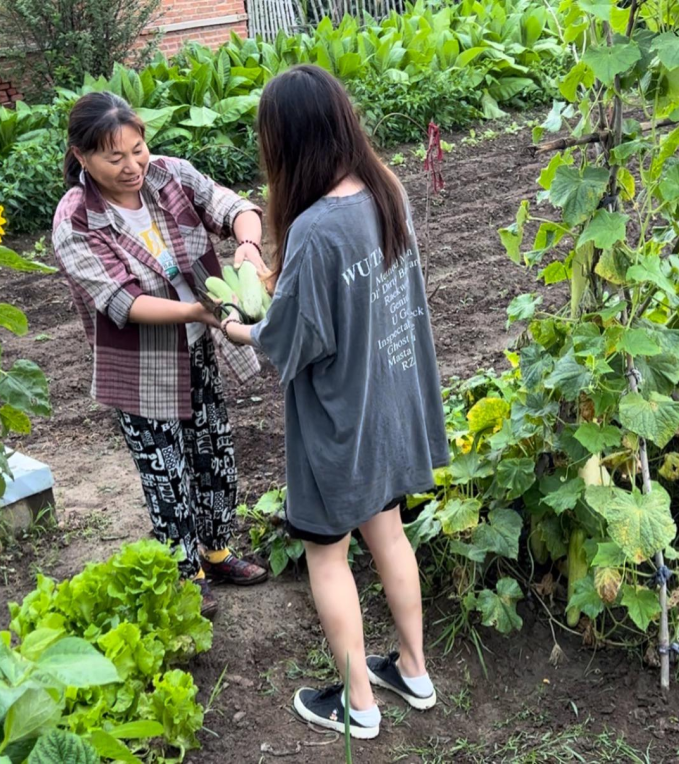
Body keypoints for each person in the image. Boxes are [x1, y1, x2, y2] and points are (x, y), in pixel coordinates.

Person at [219, 65, 448, 740]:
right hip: (390, 404)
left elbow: (292, 338)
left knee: (327, 556)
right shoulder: (386, 190)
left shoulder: (317, 227)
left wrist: (237, 325)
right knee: (389, 532)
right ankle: (413, 670)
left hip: (339, 420)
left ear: (287, 142)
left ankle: (359, 705)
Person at [51, 92, 269, 616]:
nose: (132, 166)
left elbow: (235, 207)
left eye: (138, 149)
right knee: (165, 471)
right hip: (140, 363)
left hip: (198, 347)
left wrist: (248, 246)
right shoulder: (76, 220)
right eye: (115, 157)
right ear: (82, 157)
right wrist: (199, 312)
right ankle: (184, 572)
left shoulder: (169, 175)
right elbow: (123, 301)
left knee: (214, 452)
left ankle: (216, 552)